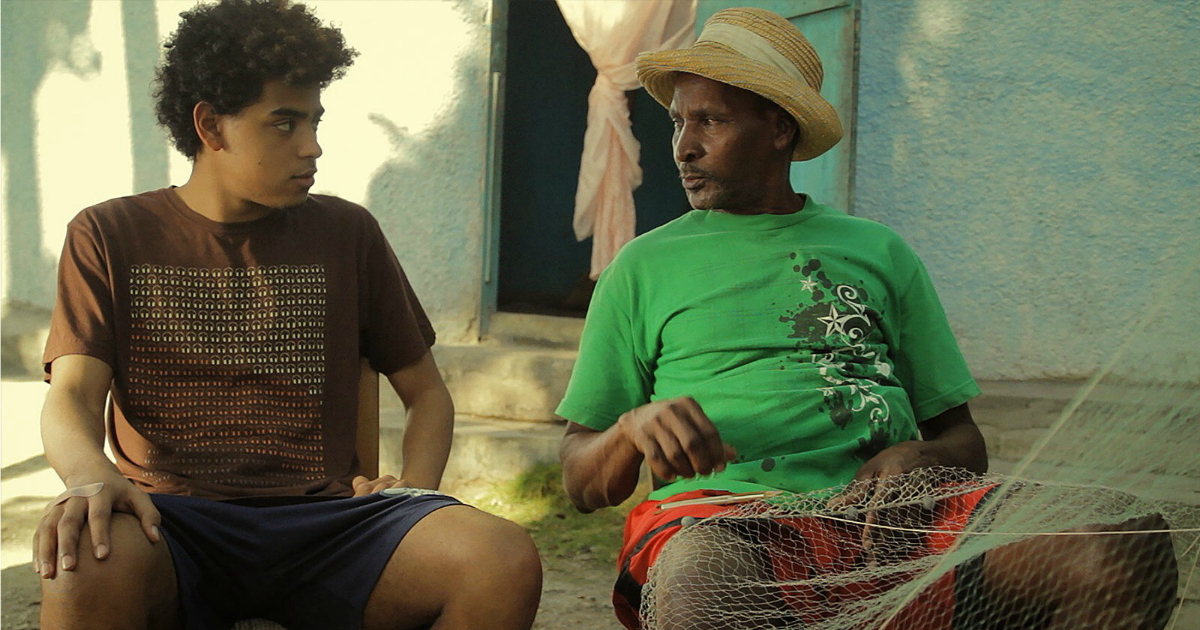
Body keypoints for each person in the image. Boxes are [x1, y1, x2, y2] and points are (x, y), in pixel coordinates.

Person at [557, 7, 1177, 630]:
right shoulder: (640, 266)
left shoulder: (879, 252)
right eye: (677, 123)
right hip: (724, 526)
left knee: (1122, 539)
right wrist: (630, 430)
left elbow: (965, 440)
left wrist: (919, 459)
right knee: (700, 586)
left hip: (895, 520)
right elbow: (583, 482)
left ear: (778, 129)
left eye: (710, 121)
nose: (684, 147)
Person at [33, 1, 541, 628]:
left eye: (315, 121)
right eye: (284, 124)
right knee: (83, 556)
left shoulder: (347, 232)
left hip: (331, 526)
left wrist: (415, 486)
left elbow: (427, 394)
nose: (313, 146)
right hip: (173, 522)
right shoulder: (109, 234)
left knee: (500, 557)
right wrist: (90, 477)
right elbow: (73, 398)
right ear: (211, 126)